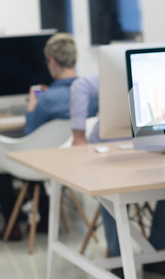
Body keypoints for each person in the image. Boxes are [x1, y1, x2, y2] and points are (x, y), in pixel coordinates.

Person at [69, 74, 165, 278]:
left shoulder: (157, 77)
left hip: (152, 143)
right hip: (110, 148)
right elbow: (81, 85)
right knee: (113, 195)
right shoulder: (118, 74)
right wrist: (78, 135)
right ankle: (118, 259)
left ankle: (158, 254)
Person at [0, 33, 94, 240]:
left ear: (52, 61)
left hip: (46, 164)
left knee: (4, 160)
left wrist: (33, 104)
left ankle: (12, 224)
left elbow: (30, 136)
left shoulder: (46, 100)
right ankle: (44, 220)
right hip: (78, 161)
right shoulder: (90, 94)